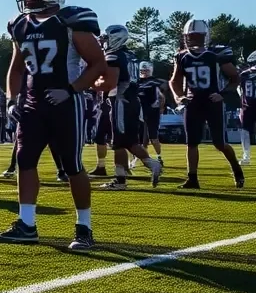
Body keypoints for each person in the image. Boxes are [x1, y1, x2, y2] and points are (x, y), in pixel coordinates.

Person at [0, 0, 105, 250]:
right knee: (25, 160)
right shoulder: (19, 24)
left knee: (72, 165)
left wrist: (71, 90)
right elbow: (16, 69)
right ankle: (26, 224)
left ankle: (84, 228)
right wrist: (11, 99)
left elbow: (98, 64)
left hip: (66, 103)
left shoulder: (70, 21)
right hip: (31, 103)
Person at [168, 18, 244, 190]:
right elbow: (174, 81)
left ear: (205, 36)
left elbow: (235, 78)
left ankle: (236, 168)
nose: (193, 39)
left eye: (197, 36)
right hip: (192, 102)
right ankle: (192, 178)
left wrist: (222, 94)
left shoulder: (216, 55)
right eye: (190, 36)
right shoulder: (181, 56)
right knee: (192, 142)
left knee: (219, 143)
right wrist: (179, 97)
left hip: (212, 102)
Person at [95, 25, 162, 189]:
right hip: (133, 101)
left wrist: (92, 83)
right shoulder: (130, 55)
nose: (103, 42)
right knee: (129, 141)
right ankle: (134, 172)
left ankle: (128, 176)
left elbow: (110, 82)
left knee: (118, 142)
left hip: (120, 101)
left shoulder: (114, 56)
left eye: (106, 38)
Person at [136, 62, 165, 160]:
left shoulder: (154, 82)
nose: (144, 72)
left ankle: (159, 157)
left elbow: (161, 97)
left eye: (146, 70)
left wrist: (161, 108)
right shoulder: (137, 82)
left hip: (152, 111)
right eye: (142, 70)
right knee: (139, 138)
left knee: (153, 137)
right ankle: (143, 158)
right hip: (140, 112)